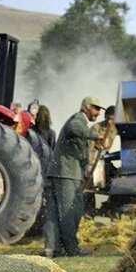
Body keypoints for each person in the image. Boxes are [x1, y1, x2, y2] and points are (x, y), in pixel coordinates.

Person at [43, 96, 103, 257]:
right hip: (66, 173)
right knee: (70, 211)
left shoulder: (81, 122)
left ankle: (52, 248)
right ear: (85, 108)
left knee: (54, 213)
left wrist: (86, 166)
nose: (97, 113)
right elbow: (74, 128)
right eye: (95, 108)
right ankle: (72, 249)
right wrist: (95, 136)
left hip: (65, 172)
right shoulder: (78, 119)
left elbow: (78, 147)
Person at [88, 105, 117, 189]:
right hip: (95, 157)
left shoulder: (115, 127)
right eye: (108, 118)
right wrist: (90, 165)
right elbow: (90, 148)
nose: (109, 121)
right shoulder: (96, 128)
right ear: (104, 116)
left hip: (106, 157)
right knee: (93, 184)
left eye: (112, 119)